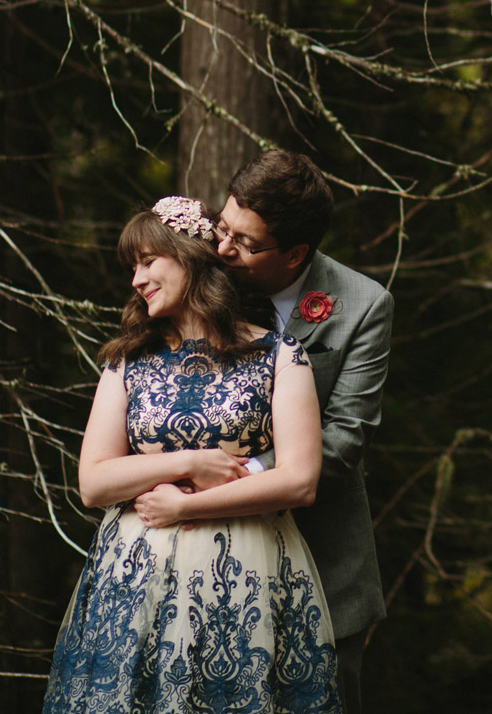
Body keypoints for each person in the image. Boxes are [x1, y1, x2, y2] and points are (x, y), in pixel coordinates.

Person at [43, 197, 341, 714]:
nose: (136, 279)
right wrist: (189, 464)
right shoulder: (126, 362)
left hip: (248, 573)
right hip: (135, 581)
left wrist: (186, 507)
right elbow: (93, 483)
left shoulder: (280, 355)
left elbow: (300, 482)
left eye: (147, 261)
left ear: (188, 256)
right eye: (131, 267)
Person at [212, 150, 392, 714]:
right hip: (208, 565)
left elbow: (345, 435)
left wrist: (247, 477)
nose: (222, 250)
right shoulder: (207, 280)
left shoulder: (364, 307)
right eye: (222, 228)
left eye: (245, 243)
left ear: (296, 254)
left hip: (324, 564)